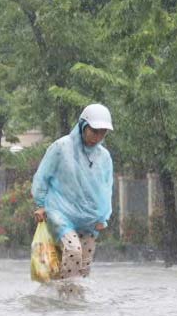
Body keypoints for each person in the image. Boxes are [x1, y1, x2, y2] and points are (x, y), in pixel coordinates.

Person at [31, 103, 115, 280]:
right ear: (83, 126)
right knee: (73, 251)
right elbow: (42, 176)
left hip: (89, 217)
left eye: (103, 132)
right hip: (60, 212)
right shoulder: (61, 147)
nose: (98, 137)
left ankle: (71, 299)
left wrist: (103, 217)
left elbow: (106, 188)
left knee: (84, 265)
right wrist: (40, 204)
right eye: (94, 131)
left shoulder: (104, 157)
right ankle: (64, 295)